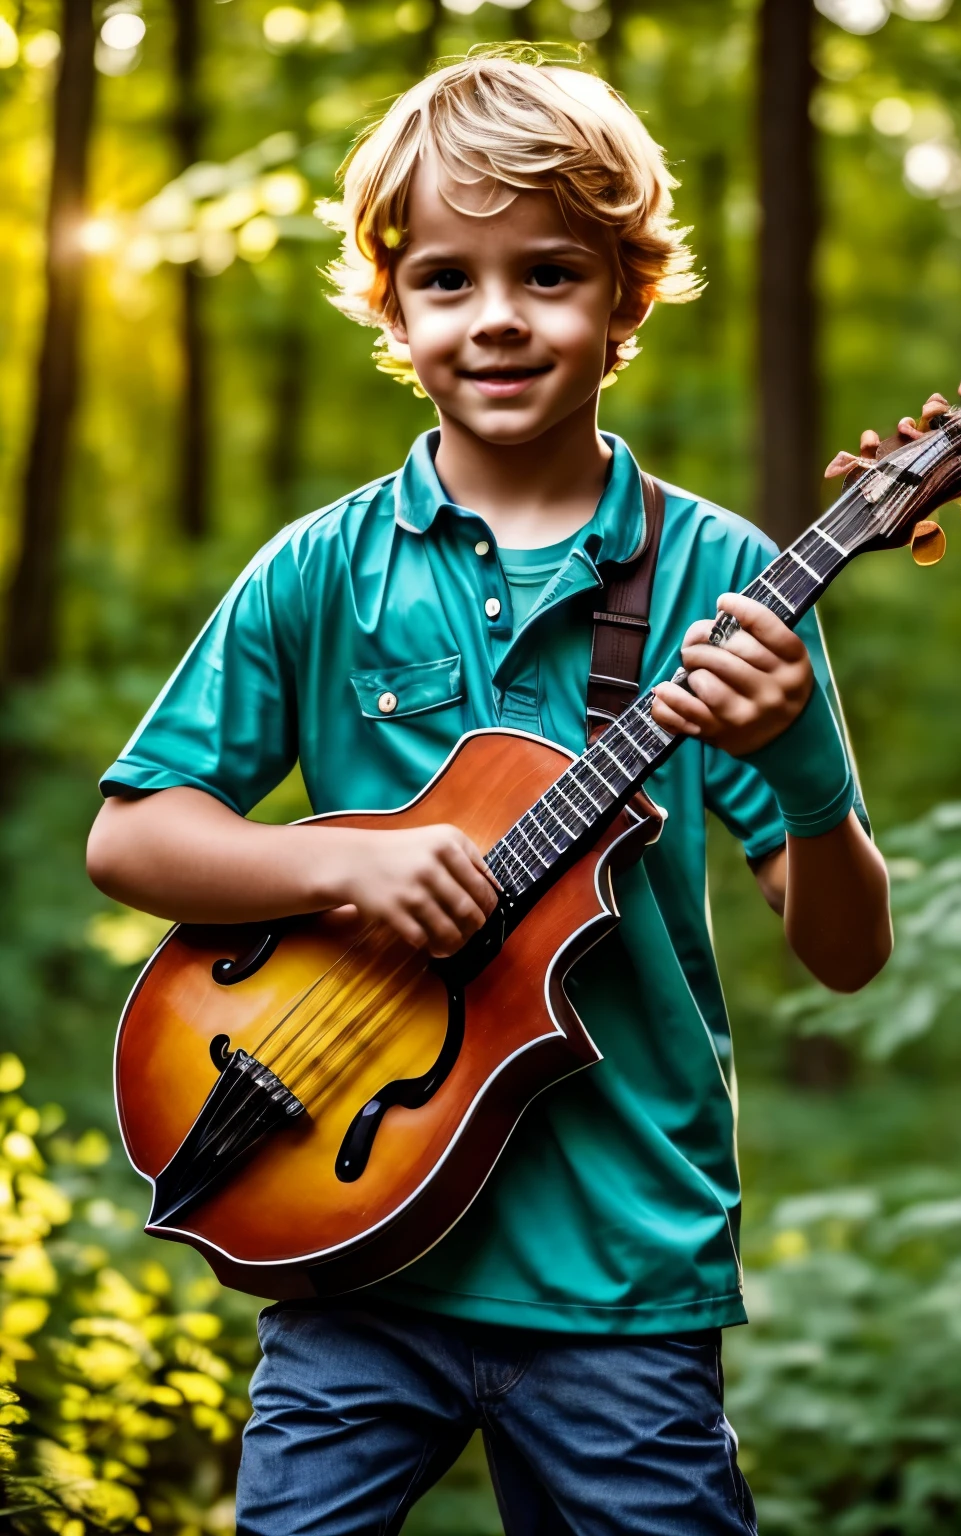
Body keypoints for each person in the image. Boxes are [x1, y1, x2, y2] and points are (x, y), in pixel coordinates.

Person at [86, 52, 917, 1536]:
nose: (500, 319)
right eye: (450, 280)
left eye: (548, 274)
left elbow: (844, 949)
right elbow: (135, 832)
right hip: (348, 1236)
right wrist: (347, 871)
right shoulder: (323, 568)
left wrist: (792, 747)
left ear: (626, 299)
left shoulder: (728, 584)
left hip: (620, 1272)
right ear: (395, 310)